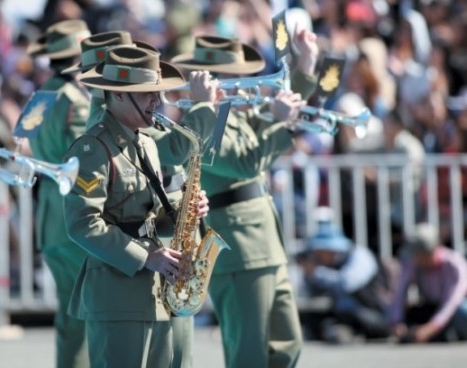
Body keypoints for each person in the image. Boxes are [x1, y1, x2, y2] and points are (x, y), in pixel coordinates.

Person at [170, 29, 319, 368]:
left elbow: (279, 112)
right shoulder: (200, 124)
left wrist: (305, 68)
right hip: (238, 245)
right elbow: (243, 163)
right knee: (248, 354)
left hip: (265, 240)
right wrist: (282, 126)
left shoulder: (236, 113)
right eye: (231, 76)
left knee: (287, 346)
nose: (241, 83)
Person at [64, 46, 209, 367]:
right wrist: (145, 257)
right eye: (146, 94)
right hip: (115, 294)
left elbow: (148, 206)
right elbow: (83, 224)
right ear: (116, 96)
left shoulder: (145, 141)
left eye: (156, 93)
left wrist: (185, 206)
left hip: (153, 291)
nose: (156, 101)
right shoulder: (92, 148)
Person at [27, 19, 92, 368]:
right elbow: (86, 159)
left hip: (52, 217)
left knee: (72, 316)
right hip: (74, 216)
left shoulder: (43, 93)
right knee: (86, 315)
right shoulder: (73, 99)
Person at [297, 208, 394, 344]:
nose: (317, 257)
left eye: (319, 253)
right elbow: (311, 294)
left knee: (350, 314)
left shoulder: (360, 256)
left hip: (373, 314)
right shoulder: (327, 265)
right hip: (343, 314)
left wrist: (316, 273)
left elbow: (346, 283)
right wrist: (308, 276)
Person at [389, 222, 467, 343]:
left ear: (431, 250)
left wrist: (430, 328)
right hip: (434, 307)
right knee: (403, 311)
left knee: (462, 311)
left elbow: (452, 302)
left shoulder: (454, 264)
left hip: (455, 309)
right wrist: (397, 322)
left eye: (419, 253)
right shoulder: (413, 263)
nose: (416, 257)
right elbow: (400, 293)